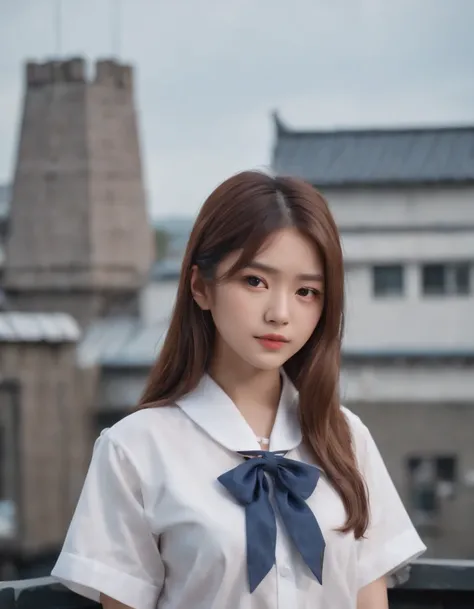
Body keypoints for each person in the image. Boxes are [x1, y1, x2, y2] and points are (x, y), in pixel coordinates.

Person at [51, 170, 426, 609]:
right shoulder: (135, 449)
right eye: (255, 281)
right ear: (200, 287)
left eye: (307, 291)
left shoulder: (347, 437)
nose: (280, 313)